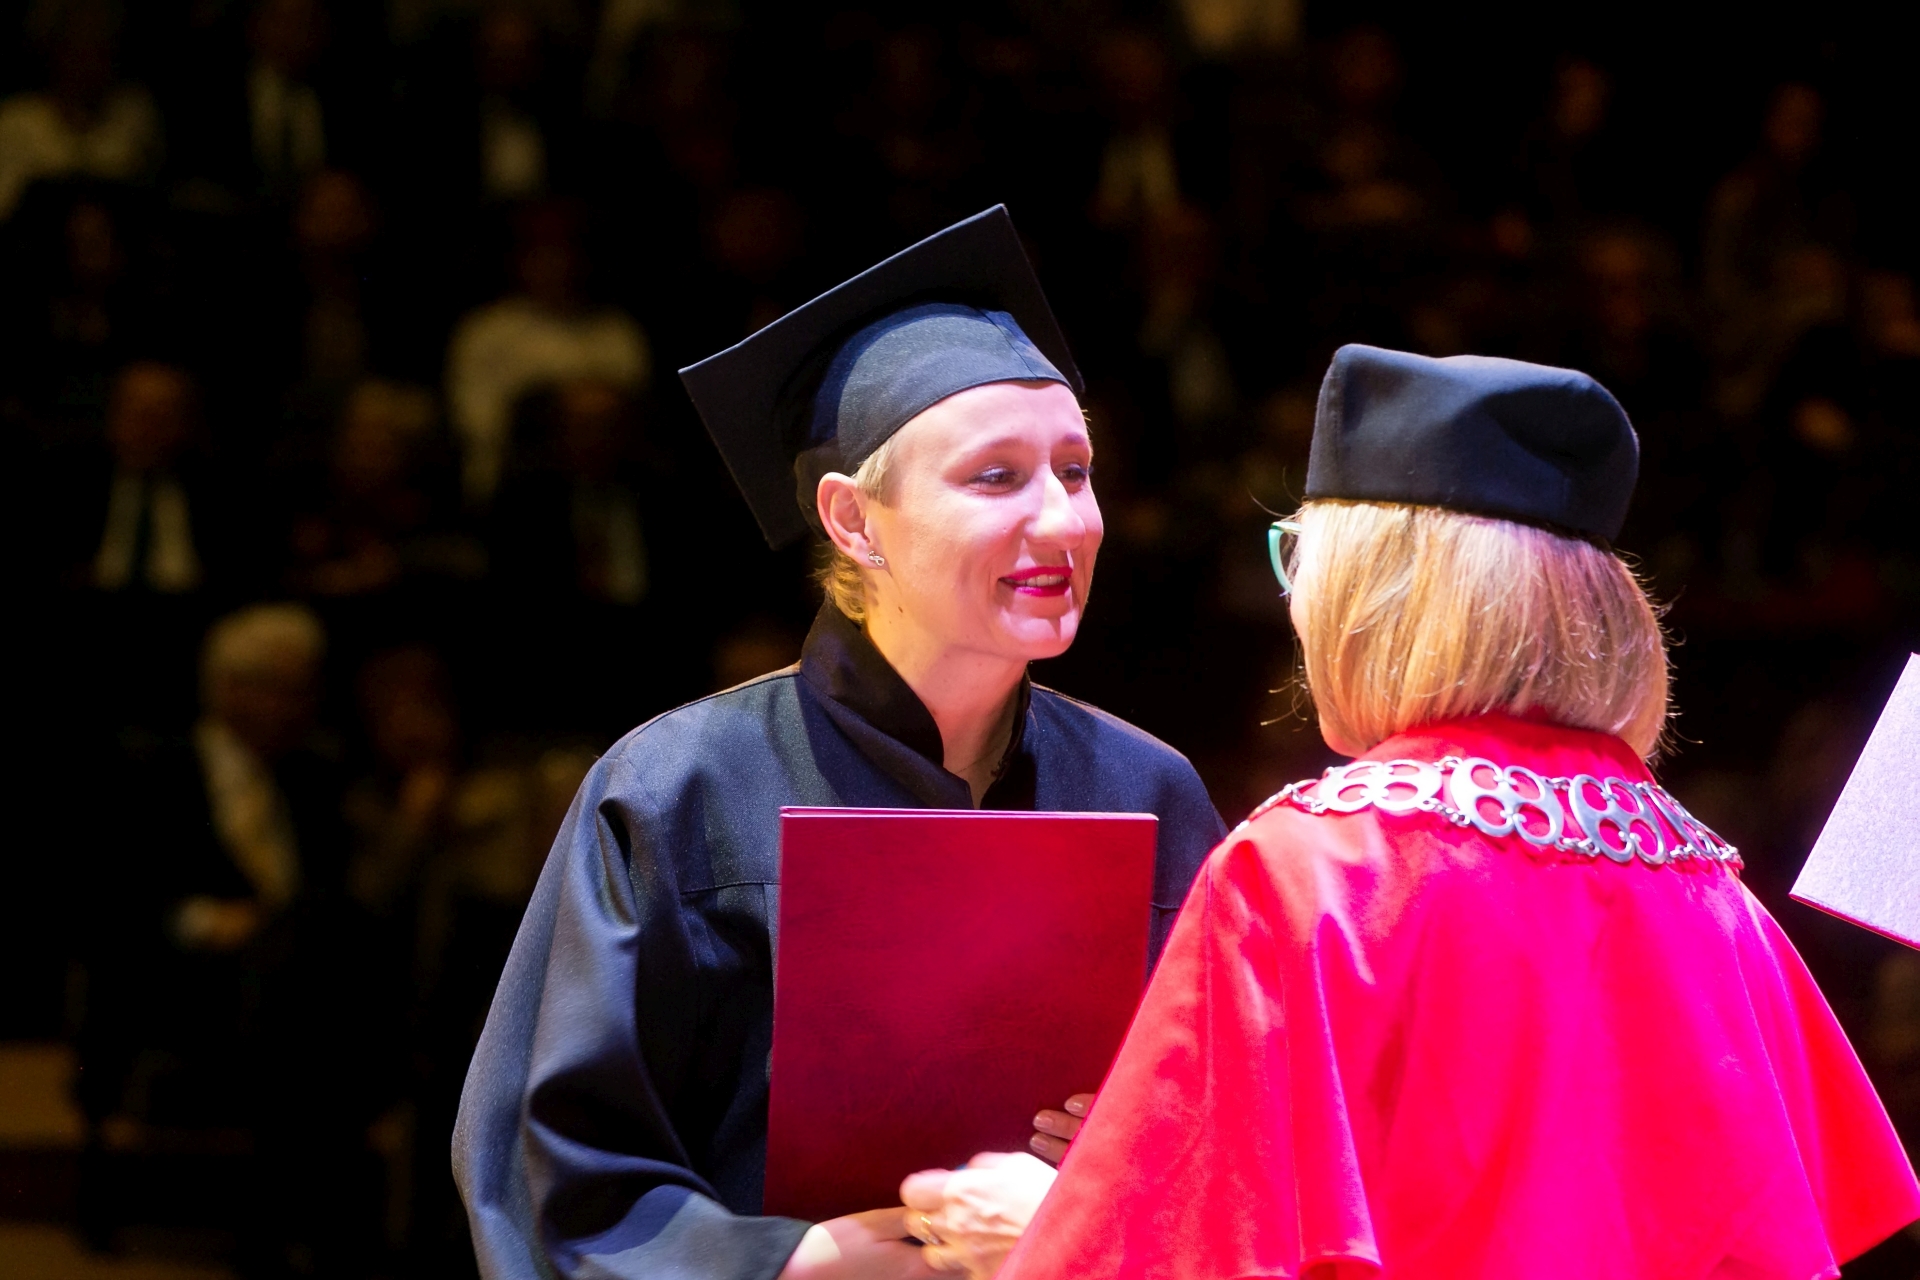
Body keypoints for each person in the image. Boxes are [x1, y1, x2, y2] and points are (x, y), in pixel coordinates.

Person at [996, 345, 1920, 1280]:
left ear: (1372, 593)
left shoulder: (1304, 876)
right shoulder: (1715, 896)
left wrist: (1033, 1218)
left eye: (1299, 561)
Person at [452, 205, 1226, 1280]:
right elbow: (555, 1179)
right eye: (996, 476)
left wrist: (1115, 1183)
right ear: (854, 521)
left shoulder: (1147, 791)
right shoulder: (681, 790)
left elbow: (1242, 1138)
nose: (1063, 520)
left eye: (1075, 469)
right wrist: (798, 1258)